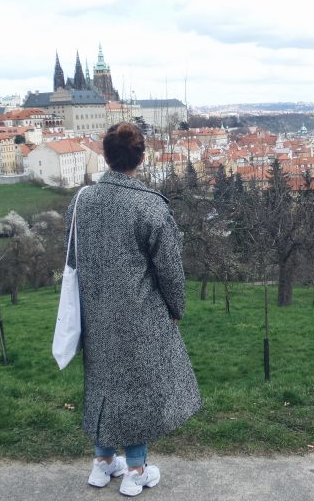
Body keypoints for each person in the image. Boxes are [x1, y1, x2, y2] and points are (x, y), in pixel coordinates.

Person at [66, 121, 202, 497]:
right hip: (139, 313)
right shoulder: (149, 205)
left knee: (102, 382)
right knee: (138, 390)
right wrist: (177, 307)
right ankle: (136, 469)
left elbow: (74, 256)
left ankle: (103, 462)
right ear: (140, 158)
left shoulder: (81, 201)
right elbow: (170, 268)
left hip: (94, 312)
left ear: (106, 156)